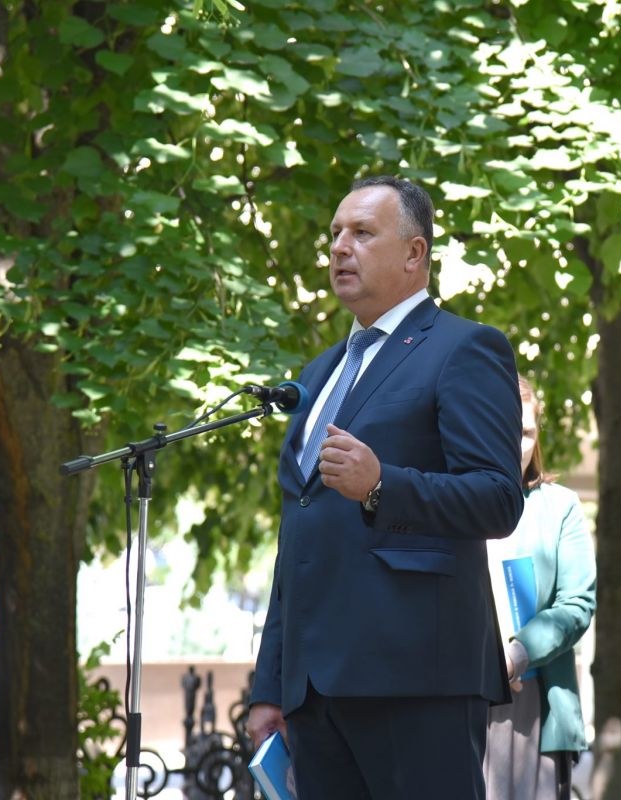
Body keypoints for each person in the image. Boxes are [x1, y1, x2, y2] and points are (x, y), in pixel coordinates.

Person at [245, 175, 525, 800]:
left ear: (414, 253)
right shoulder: (318, 374)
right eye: (335, 233)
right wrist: (271, 685)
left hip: (416, 678)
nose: (339, 246)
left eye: (362, 232)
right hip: (315, 692)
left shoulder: (465, 348)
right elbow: (299, 540)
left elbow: (498, 497)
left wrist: (381, 487)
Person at [485, 375, 596, 800]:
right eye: (504, 427)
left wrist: (516, 654)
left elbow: (576, 604)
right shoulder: (445, 499)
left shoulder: (560, 506)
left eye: (527, 432)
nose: (517, 443)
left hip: (530, 697)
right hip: (451, 696)